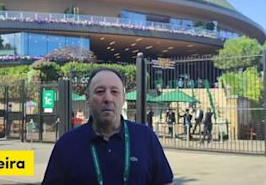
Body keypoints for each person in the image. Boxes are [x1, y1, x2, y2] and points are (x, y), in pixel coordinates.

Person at [42, 68, 173, 185]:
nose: (108, 98)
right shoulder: (66, 145)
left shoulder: (146, 137)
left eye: (115, 91)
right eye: (100, 91)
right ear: (88, 98)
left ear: (123, 98)